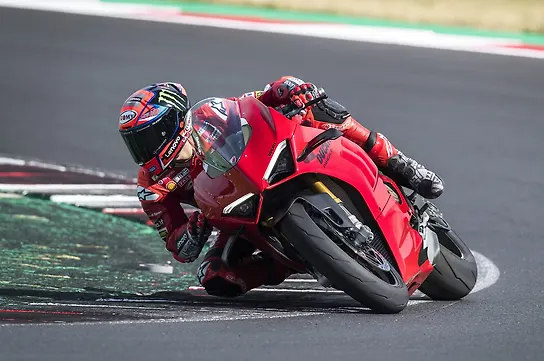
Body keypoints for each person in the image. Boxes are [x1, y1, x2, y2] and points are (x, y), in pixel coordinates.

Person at [118, 77, 444, 298]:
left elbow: (256, 101)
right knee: (214, 277)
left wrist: (291, 89)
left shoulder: (210, 114)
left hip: (268, 165)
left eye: (147, 138)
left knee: (321, 110)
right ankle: (296, 261)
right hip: (236, 213)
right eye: (135, 144)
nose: (144, 152)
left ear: (172, 122)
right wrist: (196, 227)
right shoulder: (152, 187)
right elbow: (179, 248)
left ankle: (398, 161)